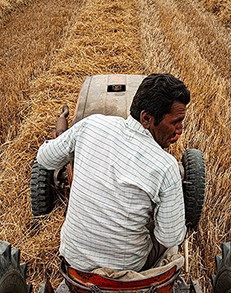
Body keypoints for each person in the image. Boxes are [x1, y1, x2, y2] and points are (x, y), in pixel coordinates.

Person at [36, 73, 190, 272]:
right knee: (171, 243)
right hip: (127, 271)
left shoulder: (89, 125)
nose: (180, 130)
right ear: (146, 118)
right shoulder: (167, 166)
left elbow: (44, 158)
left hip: (74, 263)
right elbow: (169, 237)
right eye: (176, 122)